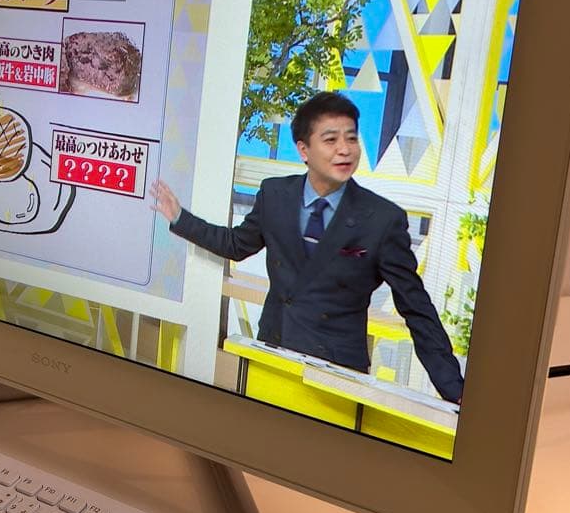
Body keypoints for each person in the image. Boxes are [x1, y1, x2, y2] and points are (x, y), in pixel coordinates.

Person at [150, 91, 464, 402]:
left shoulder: (382, 219)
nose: (345, 150)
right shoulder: (275, 194)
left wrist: (456, 392)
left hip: (337, 376)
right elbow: (236, 245)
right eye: (331, 140)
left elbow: (416, 308)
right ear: (304, 150)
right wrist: (180, 218)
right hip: (272, 356)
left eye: (351, 138)